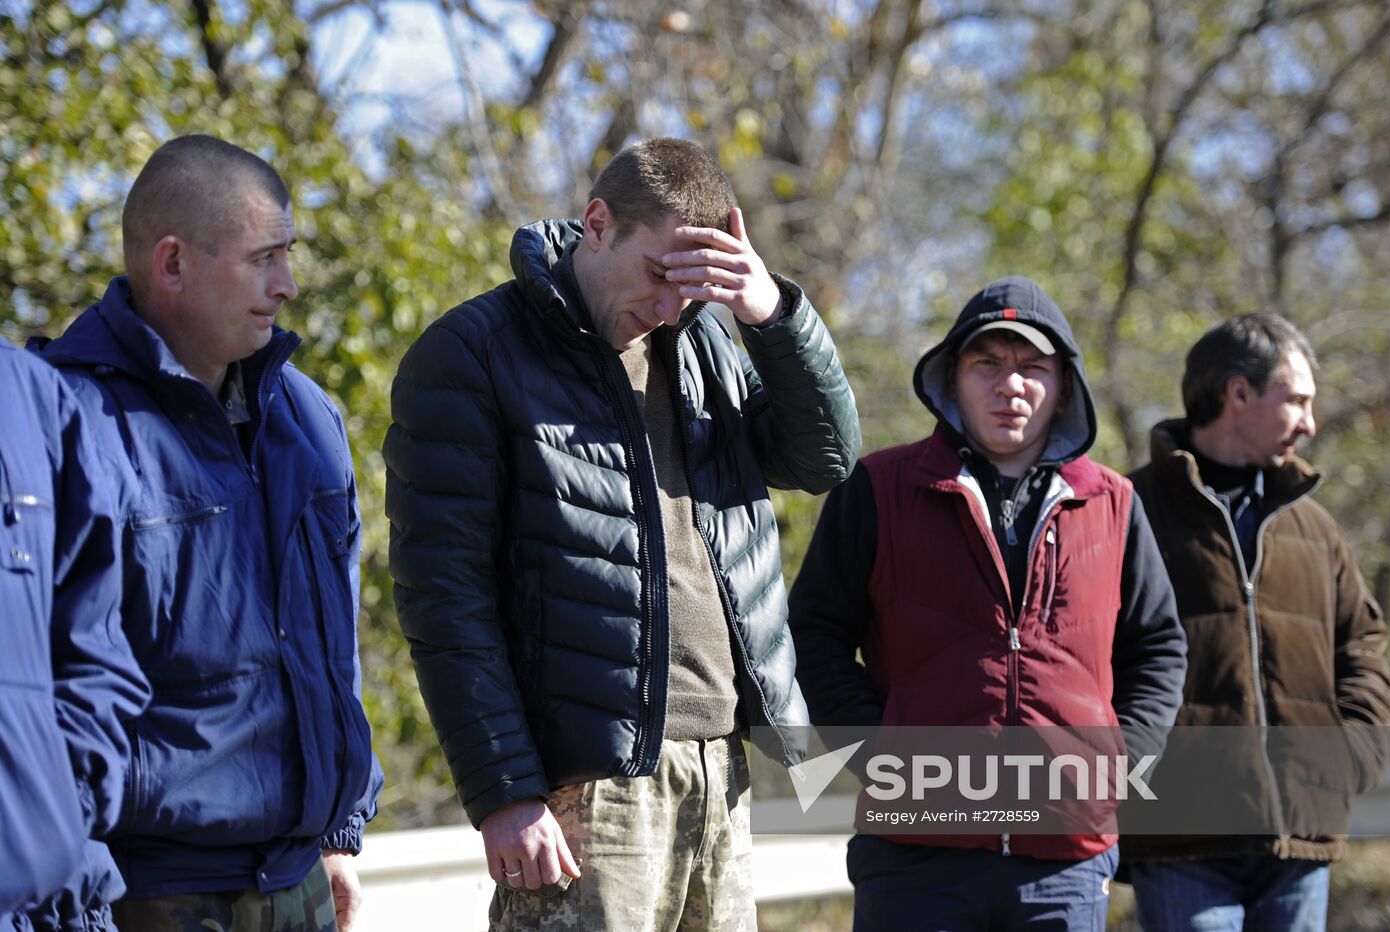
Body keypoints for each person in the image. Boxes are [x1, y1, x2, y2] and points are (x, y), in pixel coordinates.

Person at [384, 137, 860, 930]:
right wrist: (504, 791)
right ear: (597, 224)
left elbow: (827, 458)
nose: (673, 305)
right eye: (658, 274)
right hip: (587, 790)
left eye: (694, 285)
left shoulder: (708, 341)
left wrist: (770, 316)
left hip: (722, 769)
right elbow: (444, 599)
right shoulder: (470, 354)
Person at [31, 134, 382, 932]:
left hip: (303, 881)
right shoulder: (64, 425)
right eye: (264, 258)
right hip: (147, 894)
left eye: (288, 255)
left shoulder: (310, 420)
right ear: (173, 264)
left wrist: (336, 834)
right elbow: (44, 691)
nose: (288, 285)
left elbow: (334, 648)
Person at [788, 276, 1187, 930]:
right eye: (987, 364)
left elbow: (1160, 645)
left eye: (1034, 367)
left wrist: (1122, 758)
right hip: (913, 855)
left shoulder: (1112, 503)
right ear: (953, 378)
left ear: (1063, 387)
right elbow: (814, 633)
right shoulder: (878, 487)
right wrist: (881, 753)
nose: (1011, 385)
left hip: (1064, 859)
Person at [1122, 314, 1390, 931]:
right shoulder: (1127, 510)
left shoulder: (1316, 527)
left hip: (1300, 835)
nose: (1310, 422)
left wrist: (1349, 755)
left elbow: (1365, 648)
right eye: (1295, 399)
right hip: (1178, 832)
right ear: (1237, 393)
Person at [0, 340, 149, 931]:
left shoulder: (29, 394)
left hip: (46, 910)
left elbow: (93, 648)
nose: (287, 285)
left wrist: (68, 813)